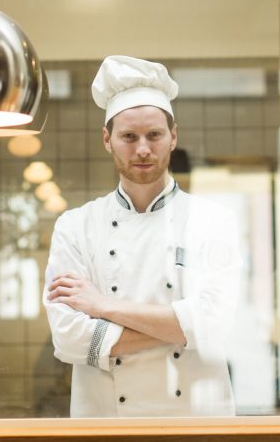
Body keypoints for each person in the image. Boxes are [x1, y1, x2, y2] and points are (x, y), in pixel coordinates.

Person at [43, 55, 241, 418]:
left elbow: (217, 323)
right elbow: (69, 339)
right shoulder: (75, 226)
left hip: (196, 425)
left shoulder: (214, 221)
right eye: (129, 137)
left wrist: (103, 307)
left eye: (154, 135)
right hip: (107, 424)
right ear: (107, 139)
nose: (143, 149)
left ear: (173, 136)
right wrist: (183, 328)